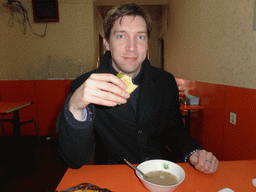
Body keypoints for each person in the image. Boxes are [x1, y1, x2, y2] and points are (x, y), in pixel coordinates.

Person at [56, 3, 218, 174]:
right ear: (107, 44)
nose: (132, 47)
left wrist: (193, 151)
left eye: (140, 37)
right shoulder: (84, 86)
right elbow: (74, 160)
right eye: (121, 36)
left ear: (147, 43)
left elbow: (174, 130)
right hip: (115, 175)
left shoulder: (165, 81)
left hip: (161, 173)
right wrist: (74, 106)